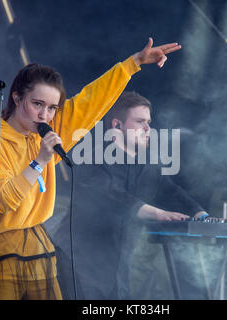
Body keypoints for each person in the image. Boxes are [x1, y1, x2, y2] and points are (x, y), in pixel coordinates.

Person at [0, 38, 182, 300]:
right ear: (16, 97)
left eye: (52, 108)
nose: (45, 115)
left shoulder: (46, 130)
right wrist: (40, 162)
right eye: (37, 104)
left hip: (37, 244)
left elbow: (90, 101)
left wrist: (133, 63)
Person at [51, 91, 209, 300]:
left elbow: (169, 190)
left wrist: (202, 216)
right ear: (117, 126)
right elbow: (107, 195)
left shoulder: (146, 164)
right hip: (78, 265)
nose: (147, 129)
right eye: (140, 122)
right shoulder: (92, 157)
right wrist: (155, 212)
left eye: (149, 122)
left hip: (117, 271)